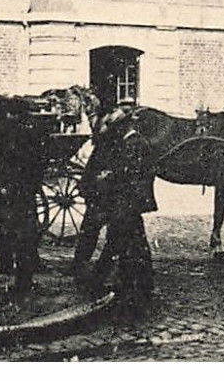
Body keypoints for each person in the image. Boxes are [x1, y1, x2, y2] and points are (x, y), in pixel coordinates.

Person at [75, 111, 156, 313]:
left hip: (128, 202)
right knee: (131, 243)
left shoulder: (135, 143)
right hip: (126, 203)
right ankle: (138, 285)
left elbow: (129, 173)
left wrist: (108, 176)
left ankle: (104, 282)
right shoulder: (128, 142)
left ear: (124, 126)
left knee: (118, 243)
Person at [0, 97, 46, 293]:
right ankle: (22, 281)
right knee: (23, 237)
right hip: (18, 193)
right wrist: (29, 188)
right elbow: (38, 165)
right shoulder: (28, 134)